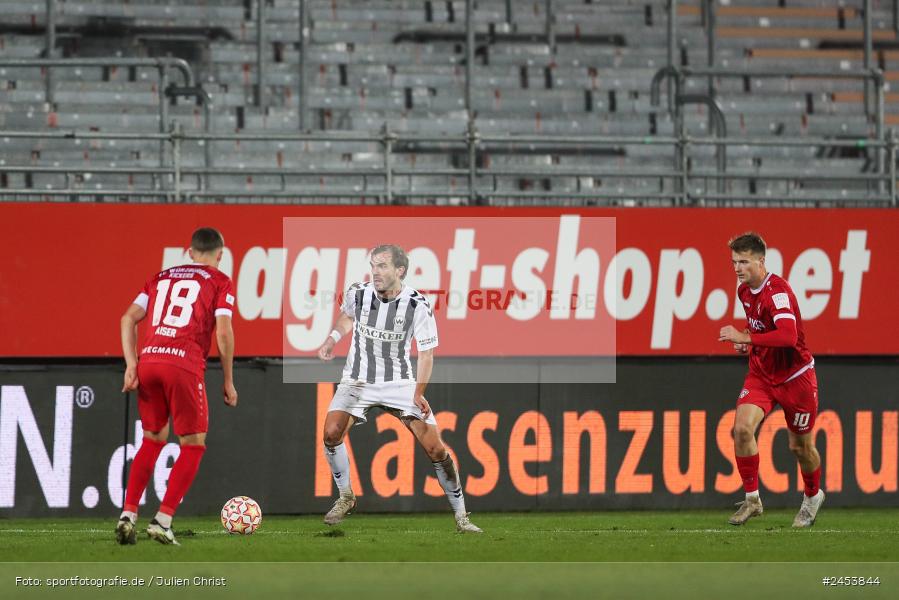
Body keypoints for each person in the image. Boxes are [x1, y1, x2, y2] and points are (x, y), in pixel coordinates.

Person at [317, 244, 482, 533]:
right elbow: (348, 316)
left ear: (400, 270)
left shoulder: (417, 304)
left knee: (435, 448)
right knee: (331, 433)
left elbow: (427, 353)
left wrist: (418, 392)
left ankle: (462, 517)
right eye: (373, 265)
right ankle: (346, 496)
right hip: (358, 379)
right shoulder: (358, 293)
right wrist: (332, 338)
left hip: (400, 383)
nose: (375, 271)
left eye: (382, 266)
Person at [116, 227, 238, 545]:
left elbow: (128, 318)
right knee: (193, 445)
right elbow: (224, 332)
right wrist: (228, 379)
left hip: (149, 361)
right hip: (183, 364)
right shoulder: (220, 281)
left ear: (189, 252)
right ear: (220, 255)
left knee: (152, 439)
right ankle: (163, 520)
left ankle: (128, 515)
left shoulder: (160, 278)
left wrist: (131, 364)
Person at [718, 232, 824, 528]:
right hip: (762, 375)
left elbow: (788, 337)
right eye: (734, 262)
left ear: (761, 261)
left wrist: (746, 338)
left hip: (796, 377)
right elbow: (760, 327)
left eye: (744, 262)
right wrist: (748, 340)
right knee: (742, 430)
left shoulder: (778, 291)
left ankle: (812, 497)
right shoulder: (743, 291)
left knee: (800, 448)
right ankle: (752, 500)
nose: (737, 268)